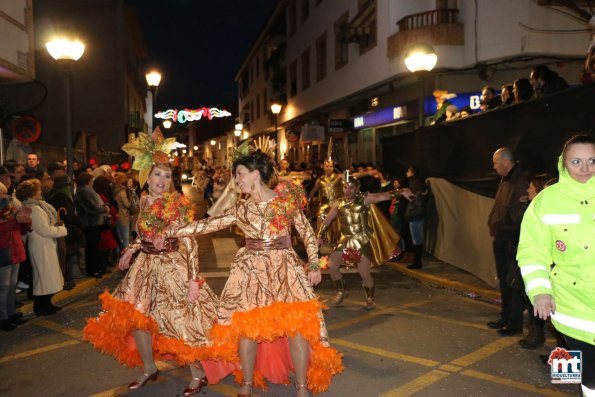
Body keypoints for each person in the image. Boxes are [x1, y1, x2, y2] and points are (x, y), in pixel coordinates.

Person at [162, 149, 343, 397]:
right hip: (250, 271)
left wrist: (313, 263)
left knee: (297, 328)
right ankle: (246, 382)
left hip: (285, 269)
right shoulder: (240, 208)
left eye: (239, 174)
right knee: (247, 328)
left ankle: (302, 386)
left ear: (255, 174)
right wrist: (175, 230)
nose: (236, 180)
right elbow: (207, 225)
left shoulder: (284, 201)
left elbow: (306, 232)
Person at [84, 130, 224, 396]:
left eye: (167, 175)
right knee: (139, 319)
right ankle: (149, 368)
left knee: (181, 321)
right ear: (146, 176)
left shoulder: (178, 203)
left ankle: (198, 373)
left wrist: (194, 280)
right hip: (144, 268)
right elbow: (143, 234)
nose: (162, 180)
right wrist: (131, 249)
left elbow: (190, 241)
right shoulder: (145, 200)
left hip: (173, 268)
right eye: (157, 174)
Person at [517, 134, 595, 395]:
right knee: (590, 378)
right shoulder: (545, 201)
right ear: (563, 163)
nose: (585, 169)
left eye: (592, 161)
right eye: (576, 161)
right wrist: (540, 290)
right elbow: (532, 251)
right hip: (573, 307)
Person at [317, 171, 405, 310]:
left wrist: (402, 191)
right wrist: (319, 237)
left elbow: (382, 196)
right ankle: (341, 291)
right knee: (332, 267)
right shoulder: (338, 204)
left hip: (361, 240)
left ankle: (370, 298)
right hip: (344, 240)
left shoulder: (364, 199)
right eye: (346, 187)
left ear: (357, 188)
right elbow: (327, 221)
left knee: (364, 273)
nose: (348, 190)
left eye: (351, 187)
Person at [486, 148, 529, 336]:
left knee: (512, 282)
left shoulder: (519, 181)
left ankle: (514, 323)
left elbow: (519, 214)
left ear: (504, 161)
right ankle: (505, 316)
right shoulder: (506, 180)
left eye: (495, 163)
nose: (494, 167)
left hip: (511, 239)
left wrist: (508, 232)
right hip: (502, 237)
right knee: (504, 280)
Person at [16, 179, 67, 316]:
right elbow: (44, 229)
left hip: (44, 244)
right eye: (38, 190)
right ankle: (41, 306)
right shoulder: (34, 209)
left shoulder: (36, 206)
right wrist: (62, 230)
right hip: (41, 245)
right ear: (32, 193)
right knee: (43, 277)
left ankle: (47, 303)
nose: (40, 192)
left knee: (48, 276)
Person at [0, 182, 30, 331]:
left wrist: (25, 220)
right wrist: (15, 220)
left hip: (13, 249)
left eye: (4, 193)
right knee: (4, 286)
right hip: (3, 251)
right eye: (1, 193)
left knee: (12, 284)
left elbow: (21, 228)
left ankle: (11, 313)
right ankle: (3, 317)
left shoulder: (10, 208)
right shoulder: (6, 211)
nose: (4, 196)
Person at [74, 172, 109, 277]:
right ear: (87, 182)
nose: (92, 183)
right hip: (89, 224)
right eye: (91, 181)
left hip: (95, 223)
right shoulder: (82, 193)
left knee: (95, 247)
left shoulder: (89, 191)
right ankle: (92, 270)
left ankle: (96, 268)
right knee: (91, 248)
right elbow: (92, 208)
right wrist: (105, 208)